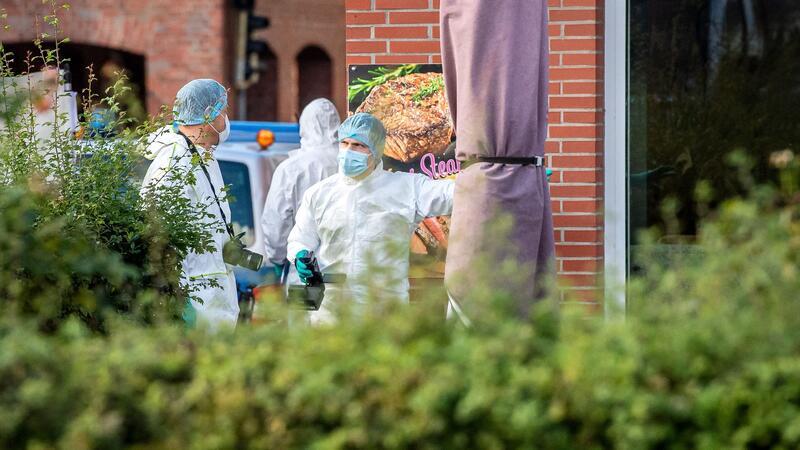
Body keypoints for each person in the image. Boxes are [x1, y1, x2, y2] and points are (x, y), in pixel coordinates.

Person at [287, 113, 455, 324]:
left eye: (358, 145)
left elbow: (455, 193)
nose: (349, 151)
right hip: (331, 315)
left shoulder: (406, 188)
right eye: (344, 143)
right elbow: (300, 238)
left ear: (376, 151)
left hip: (384, 315)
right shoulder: (320, 194)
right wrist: (300, 255)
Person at [140, 79, 238, 328]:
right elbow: (156, 232)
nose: (226, 119)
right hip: (195, 299)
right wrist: (177, 298)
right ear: (208, 115)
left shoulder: (202, 157)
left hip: (212, 298)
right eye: (223, 111)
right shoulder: (175, 160)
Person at [260, 98, 341, 286]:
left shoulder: (291, 168)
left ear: (304, 125)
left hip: (303, 269)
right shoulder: (351, 162)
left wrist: (278, 259)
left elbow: (276, 221)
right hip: (347, 270)